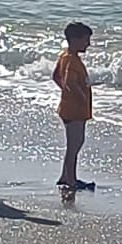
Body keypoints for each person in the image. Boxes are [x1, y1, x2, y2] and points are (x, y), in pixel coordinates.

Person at [52, 22, 94, 203]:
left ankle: (65, 176)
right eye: (86, 40)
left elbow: (55, 76)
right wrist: (80, 96)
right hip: (74, 109)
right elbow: (68, 81)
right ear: (75, 40)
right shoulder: (72, 60)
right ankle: (71, 180)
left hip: (70, 107)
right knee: (74, 145)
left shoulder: (65, 56)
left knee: (76, 143)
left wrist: (66, 91)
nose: (89, 44)